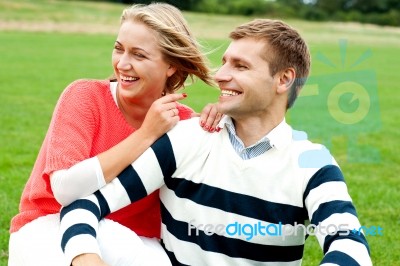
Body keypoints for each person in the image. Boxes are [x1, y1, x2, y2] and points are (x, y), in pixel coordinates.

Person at [59, 18, 372, 265]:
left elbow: (351, 247)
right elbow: (84, 206)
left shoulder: (313, 163)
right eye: (224, 61)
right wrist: (87, 258)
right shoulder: (185, 138)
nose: (220, 75)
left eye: (240, 66)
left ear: (284, 79)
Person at [8, 3, 221, 265]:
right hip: (49, 225)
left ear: (171, 66)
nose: (123, 63)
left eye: (139, 55)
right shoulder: (85, 96)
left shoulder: (183, 123)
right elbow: (65, 190)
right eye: (119, 49)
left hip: (135, 239)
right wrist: (146, 134)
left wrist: (223, 121)